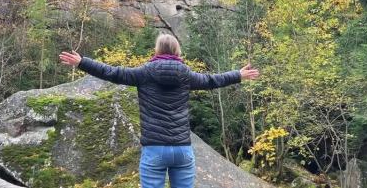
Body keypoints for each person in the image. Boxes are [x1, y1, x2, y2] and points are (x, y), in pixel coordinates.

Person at [59, 33, 260, 188]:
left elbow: (111, 72)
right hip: (182, 149)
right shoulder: (186, 74)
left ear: (157, 50)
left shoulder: (144, 72)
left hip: (154, 148)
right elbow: (212, 80)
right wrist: (238, 75)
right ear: (177, 50)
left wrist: (82, 62)